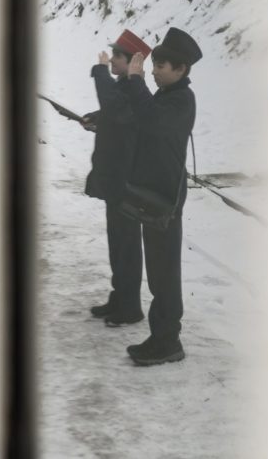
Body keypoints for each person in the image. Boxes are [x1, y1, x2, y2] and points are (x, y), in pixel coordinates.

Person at [121, 27, 202, 366]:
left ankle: (168, 341)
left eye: (162, 65)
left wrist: (137, 81)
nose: (154, 70)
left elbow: (152, 122)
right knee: (157, 270)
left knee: (164, 271)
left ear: (181, 69)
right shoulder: (167, 94)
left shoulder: (180, 99)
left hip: (164, 196)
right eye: (154, 65)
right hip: (152, 191)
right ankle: (161, 336)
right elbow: (141, 120)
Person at [83, 29, 152, 327]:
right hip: (116, 180)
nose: (111, 60)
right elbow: (114, 111)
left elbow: (117, 107)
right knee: (117, 242)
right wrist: (96, 118)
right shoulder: (125, 88)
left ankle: (131, 306)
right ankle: (121, 297)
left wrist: (99, 72)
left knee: (126, 245)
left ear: (132, 62)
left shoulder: (134, 90)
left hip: (126, 182)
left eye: (117, 57)